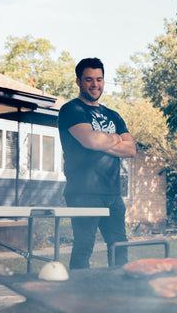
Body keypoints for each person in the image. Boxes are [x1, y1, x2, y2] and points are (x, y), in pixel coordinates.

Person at [58, 58, 136, 269]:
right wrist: (115, 138)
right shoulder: (71, 110)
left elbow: (131, 149)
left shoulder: (113, 115)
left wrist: (99, 141)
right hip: (83, 192)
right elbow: (90, 140)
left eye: (99, 79)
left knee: (119, 246)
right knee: (84, 246)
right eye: (89, 79)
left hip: (112, 193)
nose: (95, 84)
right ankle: (78, 296)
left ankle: (118, 293)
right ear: (78, 81)